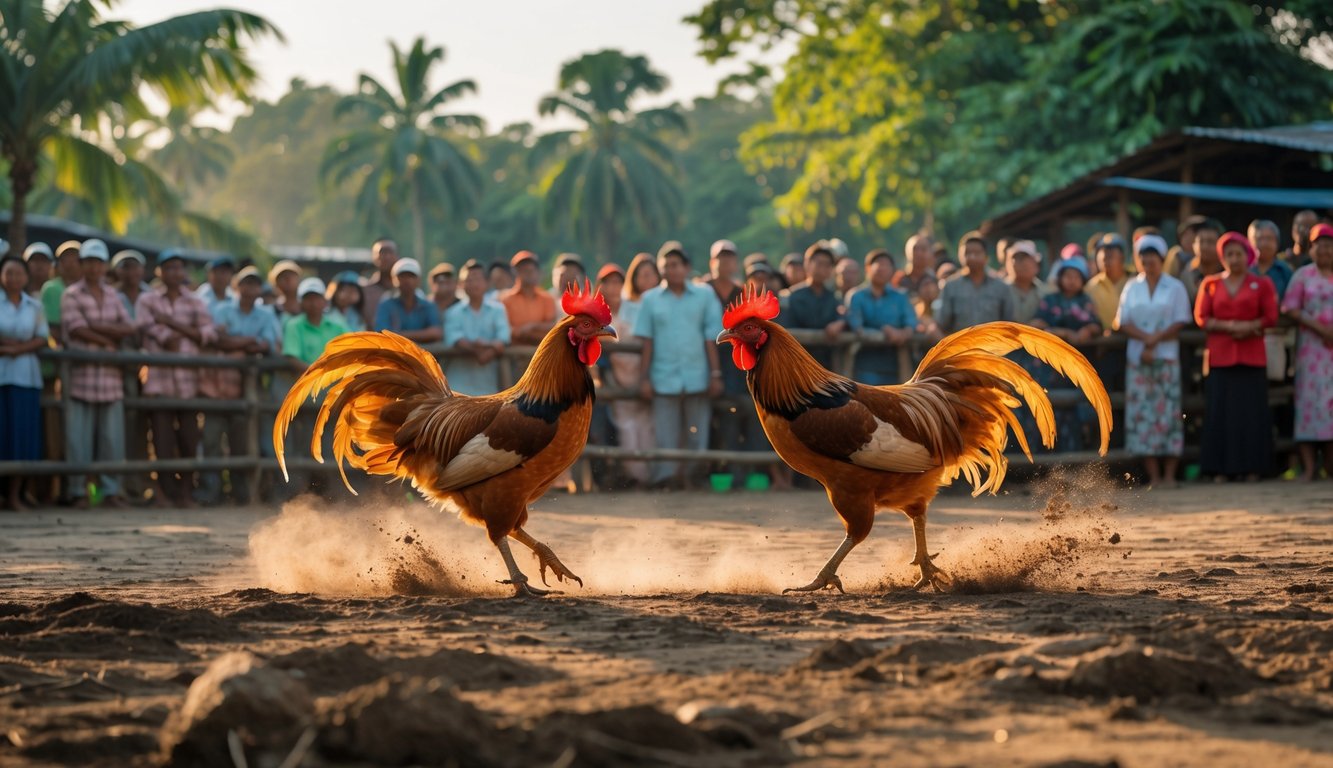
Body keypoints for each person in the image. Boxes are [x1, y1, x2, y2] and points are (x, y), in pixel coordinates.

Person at [634, 241, 724, 490]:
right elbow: (647, 342)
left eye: (675, 265)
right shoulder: (650, 300)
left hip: (697, 374)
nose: (670, 270)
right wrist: (644, 378)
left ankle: (695, 477)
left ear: (687, 267)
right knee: (665, 435)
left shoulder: (704, 295)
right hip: (663, 375)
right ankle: (667, 479)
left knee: (698, 433)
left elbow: (711, 338)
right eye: (666, 266)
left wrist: (715, 374)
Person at [1194, 231, 1279, 482]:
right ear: (1222, 257)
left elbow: (1271, 316)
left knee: (1252, 414)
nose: (1234, 258)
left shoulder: (1262, 283)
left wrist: (1251, 326)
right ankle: (1220, 469)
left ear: (1248, 256)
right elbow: (1201, 317)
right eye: (1229, 254)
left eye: (1238, 253)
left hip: (1252, 357)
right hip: (1220, 358)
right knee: (1220, 413)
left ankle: (1254, 468)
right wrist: (1230, 326)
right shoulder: (1210, 283)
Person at [136, 249, 217, 507]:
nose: (174, 272)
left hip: (188, 383)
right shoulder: (147, 300)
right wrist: (177, 333)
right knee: (161, 440)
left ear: (184, 272)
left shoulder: (195, 301)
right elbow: (147, 329)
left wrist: (170, 323)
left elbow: (208, 334)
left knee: (190, 439)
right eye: (169, 268)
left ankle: (185, 492)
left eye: (178, 268)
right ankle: (165, 492)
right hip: (159, 381)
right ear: (159, 271)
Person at [61, 239, 137, 509]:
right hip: (82, 377)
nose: (94, 267)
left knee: (111, 439)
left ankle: (111, 491)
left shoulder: (113, 295)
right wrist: (107, 338)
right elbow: (75, 328)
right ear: (82, 265)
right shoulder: (71, 294)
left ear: (104, 267)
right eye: (89, 262)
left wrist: (96, 327)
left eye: (98, 262)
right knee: (77, 440)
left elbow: (129, 327)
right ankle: (77, 490)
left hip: (109, 378)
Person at [197, 266, 281, 505]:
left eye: (255, 284)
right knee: (211, 440)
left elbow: (267, 345)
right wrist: (247, 343)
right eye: (246, 283)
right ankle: (209, 494)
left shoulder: (265, 314)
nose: (250, 288)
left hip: (247, 389)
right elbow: (216, 340)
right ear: (238, 286)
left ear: (259, 289)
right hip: (218, 385)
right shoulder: (222, 309)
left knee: (241, 443)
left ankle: (241, 494)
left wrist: (233, 343)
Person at [1114, 234, 1192, 488]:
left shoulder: (1175, 286)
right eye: (1143, 259)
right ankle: (1154, 476)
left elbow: (1181, 319)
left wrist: (1154, 339)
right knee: (1142, 416)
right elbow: (1122, 321)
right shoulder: (1131, 287)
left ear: (1161, 260)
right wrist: (1147, 339)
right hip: (1138, 360)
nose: (1148, 263)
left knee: (1168, 414)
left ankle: (1169, 475)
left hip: (1166, 357)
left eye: (1153, 259)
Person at [282, 277, 348, 498]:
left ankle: (329, 492)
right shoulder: (294, 325)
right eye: (308, 298)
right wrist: (324, 374)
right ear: (302, 302)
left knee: (331, 444)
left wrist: (327, 375)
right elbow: (292, 358)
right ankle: (307, 493)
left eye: (316, 298)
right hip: (308, 397)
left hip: (333, 396)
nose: (312, 303)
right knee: (306, 444)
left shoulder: (338, 326)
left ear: (324, 301)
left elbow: (350, 351)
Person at [1281, 222, 1333, 481]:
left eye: (1329, 245)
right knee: (1310, 405)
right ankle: (1310, 468)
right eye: (1319, 246)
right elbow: (1289, 307)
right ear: (1311, 249)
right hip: (1312, 353)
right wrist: (1320, 327)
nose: (1324, 250)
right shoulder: (1303, 275)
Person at [0, 255, 49, 510]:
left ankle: (15, 495)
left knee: (21, 435)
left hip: (25, 377)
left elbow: (42, 338)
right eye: (9, 273)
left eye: (19, 273)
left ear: (26, 277)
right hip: (2, 376)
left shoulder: (35, 306)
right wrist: (12, 347)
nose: (14, 278)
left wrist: (16, 350)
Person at [608, 253, 660, 486]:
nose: (646, 279)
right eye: (641, 274)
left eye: (650, 273)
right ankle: (636, 476)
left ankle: (652, 475)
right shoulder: (626, 308)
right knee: (627, 428)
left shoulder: (659, 304)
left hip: (652, 373)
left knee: (650, 428)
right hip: (623, 374)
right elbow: (619, 339)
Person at [111, 249, 152, 503]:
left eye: (135, 266)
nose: (131, 272)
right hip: (120, 368)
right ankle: (122, 484)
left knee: (143, 426)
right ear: (118, 271)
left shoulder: (151, 296)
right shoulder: (111, 295)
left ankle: (139, 484)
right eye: (126, 266)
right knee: (123, 424)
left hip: (150, 367)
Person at [845, 249, 916, 384]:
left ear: (893, 271)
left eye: (886, 265)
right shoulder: (856, 296)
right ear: (867, 268)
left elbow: (911, 322)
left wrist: (902, 333)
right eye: (878, 263)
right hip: (865, 365)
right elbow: (856, 327)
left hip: (897, 365)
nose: (882, 268)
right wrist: (885, 331)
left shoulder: (900, 297)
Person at [443, 260, 511, 396]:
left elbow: (504, 336)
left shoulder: (498, 310)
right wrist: (480, 352)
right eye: (469, 280)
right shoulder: (452, 312)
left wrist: (488, 352)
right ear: (461, 285)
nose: (474, 283)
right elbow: (455, 338)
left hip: (488, 385)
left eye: (478, 279)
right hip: (457, 386)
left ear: (486, 283)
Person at [778, 242, 847, 368]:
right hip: (798, 363)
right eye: (819, 263)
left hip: (826, 364)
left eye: (828, 265)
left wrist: (840, 323)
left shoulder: (833, 297)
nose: (823, 269)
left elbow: (842, 316)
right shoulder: (791, 296)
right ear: (807, 264)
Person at [937, 231, 1014, 334]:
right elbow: (942, 323)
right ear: (960, 256)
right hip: (961, 347)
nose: (972, 257)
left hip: (993, 347)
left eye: (977, 253)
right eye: (967, 253)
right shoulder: (950, 286)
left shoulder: (1001, 286)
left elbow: (1010, 323)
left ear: (986, 256)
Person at [373, 258, 442, 344]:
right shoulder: (386, 304)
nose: (406, 280)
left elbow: (436, 333)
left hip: (421, 356)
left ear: (418, 280)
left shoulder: (428, 305)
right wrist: (422, 335)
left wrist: (398, 335)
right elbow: (381, 334)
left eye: (411, 276)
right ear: (393, 279)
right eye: (402, 276)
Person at [501, 251, 556, 345]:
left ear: (537, 271)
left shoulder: (547, 298)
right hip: (514, 354)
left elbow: (552, 327)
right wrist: (521, 332)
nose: (528, 272)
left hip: (542, 351)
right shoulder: (505, 299)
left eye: (531, 269)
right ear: (516, 272)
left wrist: (532, 327)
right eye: (523, 269)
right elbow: (504, 330)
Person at [1086, 234, 1130, 329]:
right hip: (1100, 341)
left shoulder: (1133, 282)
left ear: (1122, 257)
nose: (1105, 259)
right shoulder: (1090, 287)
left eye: (1111, 255)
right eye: (1102, 255)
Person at [43, 241, 82, 344]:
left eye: (75, 259)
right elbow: (52, 326)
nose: (71, 263)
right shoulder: (51, 288)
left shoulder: (89, 288)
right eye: (65, 259)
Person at [1006, 240, 1051, 324]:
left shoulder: (1046, 293)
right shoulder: (999, 291)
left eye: (1025, 258)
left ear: (1036, 265)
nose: (1020, 263)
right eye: (1015, 258)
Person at [1181, 218, 1223, 306]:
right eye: (1201, 241)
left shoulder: (1227, 273)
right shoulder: (1185, 273)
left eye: (1210, 242)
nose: (1205, 247)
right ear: (1194, 245)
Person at [1249, 219, 1293, 302]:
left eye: (1269, 238)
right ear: (1251, 242)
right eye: (1260, 239)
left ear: (1277, 242)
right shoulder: (1243, 269)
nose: (1265, 243)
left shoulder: (1285, 271)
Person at [359, 237, 398, 328]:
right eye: (382, 252)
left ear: (397, 256)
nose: (386, 257)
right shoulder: (364, 292)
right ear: (373, 257)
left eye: (390, 252)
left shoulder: (407, 291)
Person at [894, 233, 936, 299]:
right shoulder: (897, 280)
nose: (919, 253)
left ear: (930, 253)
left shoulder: (934, 280)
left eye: (923, 249)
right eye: (915, 249)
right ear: (906, 251)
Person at [266, 259, 303, 326]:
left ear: (298, 279)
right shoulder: (272, 310)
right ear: (276, 283)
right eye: (283, 276)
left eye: (291, 275)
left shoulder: (307, 307)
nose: (288, 279)